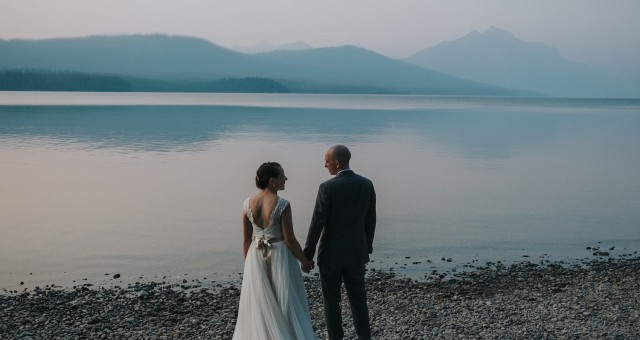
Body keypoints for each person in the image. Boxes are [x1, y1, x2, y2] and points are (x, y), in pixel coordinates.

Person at [232, 162, 317, 340]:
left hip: (255, 255)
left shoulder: (247, 203)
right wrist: (305, 261)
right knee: (286, 299)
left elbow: (246, 239)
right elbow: (290, 239)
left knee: (261, 302)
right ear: (272, 180)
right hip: (280, 254)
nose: (285, 179)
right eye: (282, 176)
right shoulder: (282, 204)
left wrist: (248, 264)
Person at [303, 145, 377, 340]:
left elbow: (317, 222)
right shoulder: (366, 184)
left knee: (331, 301)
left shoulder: (327, 187)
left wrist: (307, 256)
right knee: (359, 299)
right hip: (356, 253)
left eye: (326, 161)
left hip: (331, 255)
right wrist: (367, 246)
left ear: (336, 163)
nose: (324, 165)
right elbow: (371, 220)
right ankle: (364, 337)